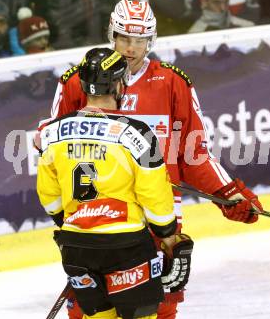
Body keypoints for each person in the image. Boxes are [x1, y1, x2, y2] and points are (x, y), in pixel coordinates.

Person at [47, 0, 263, 319]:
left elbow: (194, 154)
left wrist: (228, 192)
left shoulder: (173, 83)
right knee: (89, 311)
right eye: (124, 38)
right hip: (96, 219)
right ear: (112, 35)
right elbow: (53, 154)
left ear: (152, 41)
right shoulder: (79, 81)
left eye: (140, 40)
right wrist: (68, 222)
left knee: (158, 309)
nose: (131, 48)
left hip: (157, 220)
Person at [37, 48, 193, 319]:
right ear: (120, 84)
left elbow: (48, 194)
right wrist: (167, 233)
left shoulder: (51, 133)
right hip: (127, 245)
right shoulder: (137, 133)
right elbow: (153, 194)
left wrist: (70, 223)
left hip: (78, 246)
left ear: (84, 85)